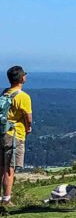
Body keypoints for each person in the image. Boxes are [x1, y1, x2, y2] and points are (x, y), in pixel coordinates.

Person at [1, 66, 32, 208]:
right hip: (14, 134)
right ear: (21, 78)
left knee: (2, 166)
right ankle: (6, 199)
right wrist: (28, 128)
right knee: (10, 168)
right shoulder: (23, 96)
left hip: (2, 132)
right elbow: (28, 117)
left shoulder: (5, 93)